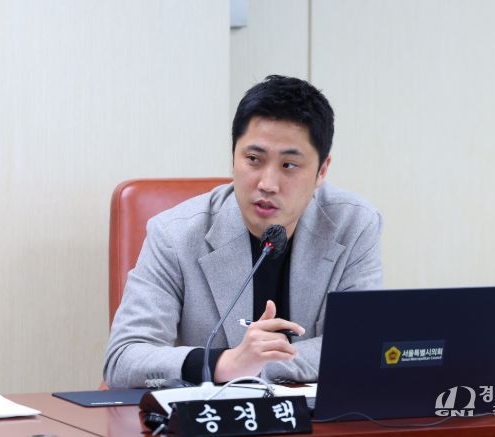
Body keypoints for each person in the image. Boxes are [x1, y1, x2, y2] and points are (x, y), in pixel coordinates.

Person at [103, 75, 382, 388]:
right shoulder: (174, 235)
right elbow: (123, 358)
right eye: (253, 159)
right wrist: (224, 363)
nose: (267, 184)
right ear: (233, 156)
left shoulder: (353, 225)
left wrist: (256, 364)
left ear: (322, 170)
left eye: (289, 165)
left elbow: (359, 346)